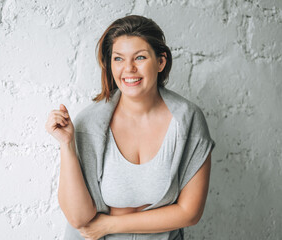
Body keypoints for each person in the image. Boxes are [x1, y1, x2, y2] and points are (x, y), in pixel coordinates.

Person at [45, 15, 215, 240]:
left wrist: (108, 225)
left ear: (161, 62)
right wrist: (67, 145)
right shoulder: (90, 123)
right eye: (118, 59)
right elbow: (79, 219)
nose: (128, 69)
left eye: (140, 57)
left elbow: (190, 212)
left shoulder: (188, 120)